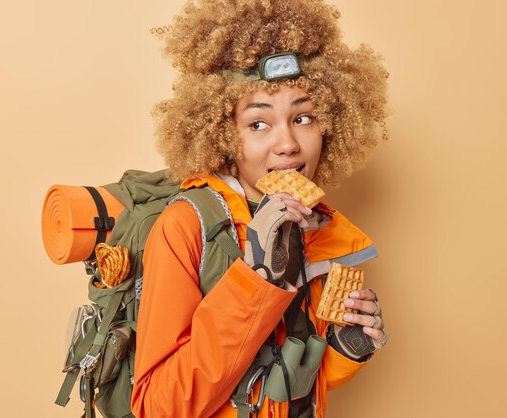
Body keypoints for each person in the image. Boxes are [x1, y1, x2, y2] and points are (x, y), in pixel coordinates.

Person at [131, 0, 389, 417]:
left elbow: (285, 386)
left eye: (303, 117)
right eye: (258, 124)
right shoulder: (186, 225)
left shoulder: (316, 227)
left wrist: (347, 347)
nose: (287, 143)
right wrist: (256, 279)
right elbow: (158, 406)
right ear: (222, 133)